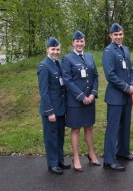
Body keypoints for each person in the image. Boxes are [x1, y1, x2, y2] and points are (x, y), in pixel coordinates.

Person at [62, 30, 100, 172]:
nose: (79, 43)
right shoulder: (68, 58)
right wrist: (82, 96)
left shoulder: (90, 57)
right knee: (76, 129)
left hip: (89, 100)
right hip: (75, 101)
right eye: (77, 41)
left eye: (82, 41)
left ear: (84, 42)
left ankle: (91, 154)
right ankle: (76, 157)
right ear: (73, 43)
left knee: (89, 127)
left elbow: (95, 76)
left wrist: (92, 94)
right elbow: (67, 80)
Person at [102, 23, 133, 172]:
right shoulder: (108, 51)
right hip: (116, 96)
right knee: (113, 128)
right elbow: (110, 75)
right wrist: (126, 87)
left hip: (126, 96)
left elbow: (130, 70)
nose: (118, 37)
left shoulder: (125, 49)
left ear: (123, 34)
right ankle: (109, 160)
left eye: (120, 34)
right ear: (111, 36)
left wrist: (132, 84)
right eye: (115, 35)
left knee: (125, 125)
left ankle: (123, 152)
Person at [37, 37, 70, 175]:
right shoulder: (44, 66)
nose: (56, 52)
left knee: (60, 136)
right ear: (47, 50)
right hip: (50, 109)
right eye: (53, 49)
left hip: (60, 107)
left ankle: (59, 160)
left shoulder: (59, 63)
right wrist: (49, 111)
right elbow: (44, 92)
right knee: (51, 137)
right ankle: (52, 164)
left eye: (58, 49)